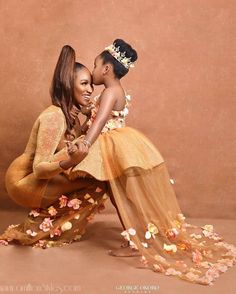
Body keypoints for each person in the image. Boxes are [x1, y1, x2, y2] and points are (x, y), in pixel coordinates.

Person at [62, 39, 236, 285]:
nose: (92, 71)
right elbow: (97, 115)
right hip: (114, 147)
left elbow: (100, 122)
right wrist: (84, 110)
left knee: (122, 195)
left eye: (95, 65)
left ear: (106, 69)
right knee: (118, 194)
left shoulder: (111, 92)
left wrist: (86, 144)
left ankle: (137, 241)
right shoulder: (112, 91)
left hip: (113, 147)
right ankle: (135, 236)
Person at [0, 45, 110, 248]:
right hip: (23, 181)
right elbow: (39, 169)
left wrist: (88, 119)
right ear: (69, 85)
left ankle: (50, 223)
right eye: (84, 84)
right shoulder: (54, 116)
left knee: (96, 175)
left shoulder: (72, 118)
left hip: (44, 175)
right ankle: (43, 227)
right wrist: (70, 161)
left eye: (90, 85)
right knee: (95, 181)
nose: (90, 90)